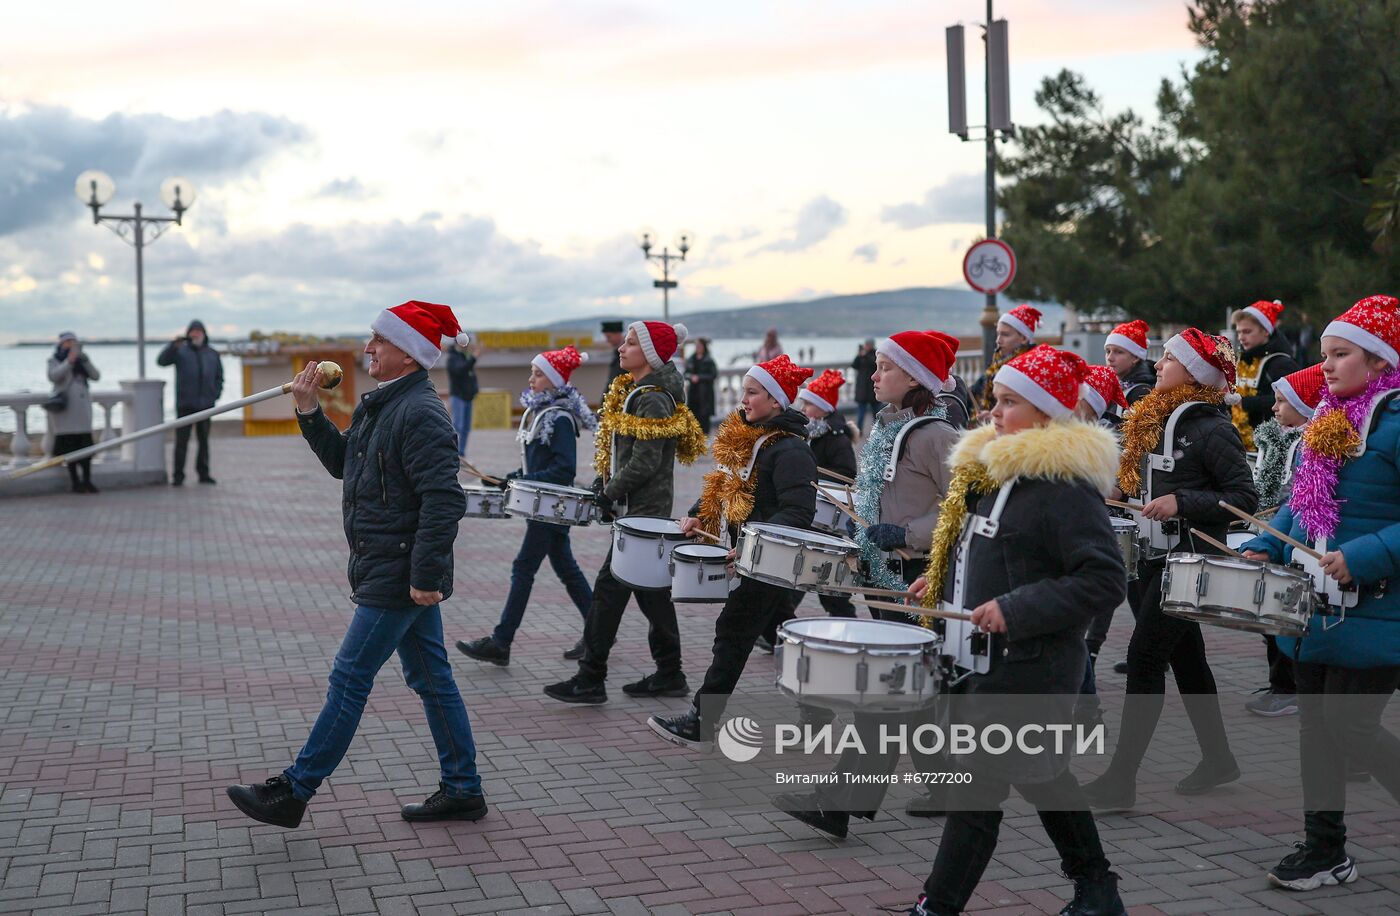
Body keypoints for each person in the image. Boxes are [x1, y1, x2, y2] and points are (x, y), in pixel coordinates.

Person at [225, 300, 485, 829]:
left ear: (408, 354)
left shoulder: (420, 413)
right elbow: (346, 465)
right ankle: (463, 789)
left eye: (379, 340)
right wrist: (308, 412)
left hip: (398, 573)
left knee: (349, 677)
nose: (368, 347)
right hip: (391, 567)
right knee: (432, 678)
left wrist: (424, 578)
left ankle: (295, 790)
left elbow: (444, 499)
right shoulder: (386, 404)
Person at [902, 345, 1128, 916]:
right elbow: (991, 553)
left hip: (1032, 665)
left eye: (1009, 403)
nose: (993, 414)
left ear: (1048, 414)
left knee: (977, 792)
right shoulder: (997, 474)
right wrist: (943, 582)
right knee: (1045, 777)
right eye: (994, 401)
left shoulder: (1064, 488)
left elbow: (1103, 581)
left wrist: (1017, 608)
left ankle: (937, 906)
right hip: (987, 662)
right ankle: (1097, 888)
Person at [1239, 295, 1400, 893]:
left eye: (1341, 354)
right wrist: (1270, 544)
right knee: (1316, 731)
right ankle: (1324, 850)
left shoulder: (1396, 423)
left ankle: (1327, 847)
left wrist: (1359, 558)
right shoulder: (1326, 425)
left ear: (1380, 362)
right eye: (1327, 353)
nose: (1326, 365)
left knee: (1351, 728)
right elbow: (1305, 510)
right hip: (1315, 609)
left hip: (1378, 608)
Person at [773, 330, 962, 838]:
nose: (873, 376)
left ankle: (837, 802)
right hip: (882, 575)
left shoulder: (934, 435)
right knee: (908, 692)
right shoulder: (885, 427)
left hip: (916, 579)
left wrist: (904, 532)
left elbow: (964, 506)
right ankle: (944, 784)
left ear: (914, 377)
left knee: (885, 694)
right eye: (876, 366)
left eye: (884, 367)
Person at [1083, 328, 1258, 811]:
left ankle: (1121, 779)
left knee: (1143, 660)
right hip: (1152, 558)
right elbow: (1141, 479)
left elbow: (1245, 498)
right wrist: (1118, 492)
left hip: (1188, 561)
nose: (1158, 365)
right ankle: (1219, 759)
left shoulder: (1210, 426)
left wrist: (1181, 501)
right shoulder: (1154, 416)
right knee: (1187, 658)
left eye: (1170, 360)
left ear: (1195, 373)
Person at [647, 354, 817, 746]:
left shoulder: (790, 450)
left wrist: (755, 546)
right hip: (758, 558)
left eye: (752, 392)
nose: (743, 399)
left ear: (776, 401)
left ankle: (702, 722)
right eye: (743, 391)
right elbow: (723, 485)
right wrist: (697, 516)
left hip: (771, 560)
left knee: (734, 631)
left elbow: (799, 512)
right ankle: (818, 711)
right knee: (778, 635)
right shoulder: (751, 439)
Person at [544, 320, 708, 705]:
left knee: (608, 591)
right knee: (652, 594)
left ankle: (591, 678)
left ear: (649, 354)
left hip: (643, 514)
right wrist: (605, 486)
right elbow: (628, 457)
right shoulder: (639, 392)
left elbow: (646, 462)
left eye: (631, 343)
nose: (622, 348)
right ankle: (669, 673)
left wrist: (609, 494)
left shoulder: (652, 398)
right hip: (639, 511)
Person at [456, 345, 597, 667]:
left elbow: (564, 470)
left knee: (524, 568)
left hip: (550, 504)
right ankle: (599, 631)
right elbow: (539, 465)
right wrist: (505, 479)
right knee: (566, 568)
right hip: (544, 504)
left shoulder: (558, 418)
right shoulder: (543, 413)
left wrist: (522, 482)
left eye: (537, 373)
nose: (531, 378)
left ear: (552, 380)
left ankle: (501, 642)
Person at [1240, 362, 1324, 719]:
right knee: (1279, 626)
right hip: (1293, 549)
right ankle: (1287, 687)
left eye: (1281, 401)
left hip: (1323, 561)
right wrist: (1269, 544)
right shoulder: (1302, 442)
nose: (1273, 408)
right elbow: (1295, 502)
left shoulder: (1326, 440)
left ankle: (1289, 689)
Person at [758, 369, 859, 651]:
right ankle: (776, 631)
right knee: (805, 579)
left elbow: (847, 476)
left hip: (827, 520)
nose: (804, 408)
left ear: (824, 408)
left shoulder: (836, 437)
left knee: (824, 586)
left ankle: (847, 627)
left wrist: (813, 477)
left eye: (810, 404)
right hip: (812, 514)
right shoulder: (811, 433)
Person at [1072, 364, 1129, 728]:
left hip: (1096, 536)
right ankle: (1084, 708)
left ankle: (1088, 712)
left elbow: (1118, 492)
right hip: (1073, 536)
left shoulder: (1111, 438)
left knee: (1079, 633)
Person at [157, 319, 224, 485]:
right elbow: (161, 361)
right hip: (185, 405)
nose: (195, 334)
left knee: (204, 443)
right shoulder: (180, 352)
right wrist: (173, 345)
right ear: (187, 334)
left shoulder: (212, 354)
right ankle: (178, 476)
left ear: (204, 333)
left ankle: (204, 473)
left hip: (206, 406)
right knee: (181, 443)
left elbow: (219, 378)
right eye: (192, 332)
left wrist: (214, 395)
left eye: (198, 331)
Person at [1231, 299, 1301, 450]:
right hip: (1243, 445)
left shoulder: (1281, 363)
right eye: (1239, 332)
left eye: (1247, 331)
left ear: (1266, 331)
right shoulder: (1243, 361)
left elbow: (1293, 402)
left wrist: (1245, 403)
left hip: (1270, 448)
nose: (1241, 337)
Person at [46, 331, 101, 494]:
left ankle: (87, 480)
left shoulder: (82, 359)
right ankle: (75, 482)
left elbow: (96, 376)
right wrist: (69, 362)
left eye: (73, 342)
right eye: (67, 342)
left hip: (82, 410)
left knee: (85, 448)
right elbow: (54, 376)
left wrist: (83, 359)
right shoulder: (54, 359)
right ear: (61, 344)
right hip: (65, 411)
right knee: (69, 450)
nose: (71, 345)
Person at [971, 304, 1040, 422]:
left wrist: (993, 417)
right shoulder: (997, 364)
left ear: (1024, 338)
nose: (998, 340)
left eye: (1005, 334)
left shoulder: (1032, 368)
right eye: (998, 334)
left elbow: (1029, 411)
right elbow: (975, 390)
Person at [1103, 319, 1157, 407]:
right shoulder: (1110, 385)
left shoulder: (1142, 393)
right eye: (1108, 351)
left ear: (1135, 357)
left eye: (1118, 352)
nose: (1110, 358)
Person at [445, 337, 481, 457]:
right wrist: (474, 358)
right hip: (458, 396)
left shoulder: (465, 356)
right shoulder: (453, 357)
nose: (466, 345)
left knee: (466, 428)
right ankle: (453, 452)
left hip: (467, 396)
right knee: (457, 426)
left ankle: (461, 453)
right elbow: (460, 370)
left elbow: (470, 375)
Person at [685, 338, 718, 434]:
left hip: (705, 394)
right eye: (696, 346)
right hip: (693, 393)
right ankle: (695, 440)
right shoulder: (691, 359)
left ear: (704, 347)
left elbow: (713, 375)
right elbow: (685, 373)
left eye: (699, 346)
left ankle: (705, 439)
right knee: (693, 417)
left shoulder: (709, 360)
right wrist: (691, 377)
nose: (697, 348)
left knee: (704, 418)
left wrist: (699, 377)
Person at [851, 339, 879, 434]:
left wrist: (865, 355)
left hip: (873, 389)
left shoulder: (876, 354)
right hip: (862, 390)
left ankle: (878, 431)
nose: (866, 346)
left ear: (871, 345)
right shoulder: (861, 355)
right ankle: (859, 431)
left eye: (867, 344)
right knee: (860, 414)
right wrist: (859, 356)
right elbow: (854, 365)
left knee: (877, 413)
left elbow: (874, 364)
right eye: (865, 344)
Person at [600, 320, 626, 399]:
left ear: (618, 334)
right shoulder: (617, 352)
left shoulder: (626, 353)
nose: (607, 340)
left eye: (609, 336)